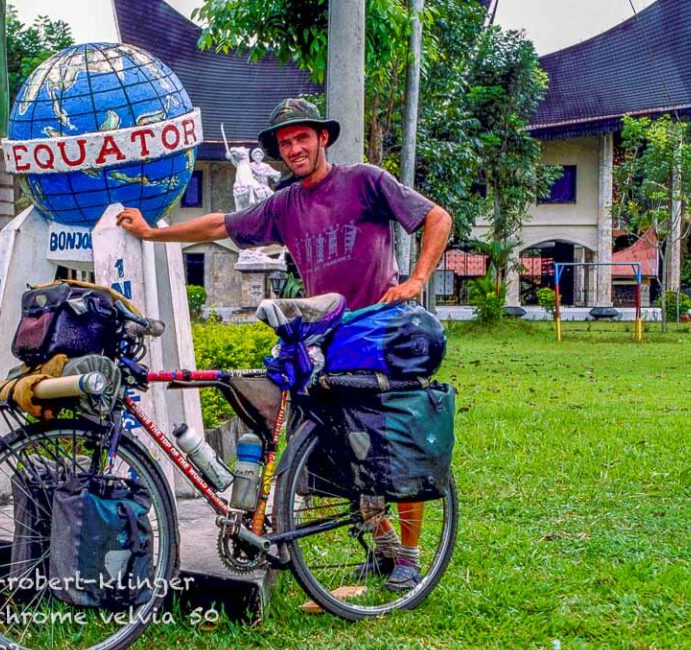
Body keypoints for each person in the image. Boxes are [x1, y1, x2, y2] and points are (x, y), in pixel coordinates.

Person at [117, 97, 452, 592]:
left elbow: (437, 218)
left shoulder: (364, 181)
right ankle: (382, 545)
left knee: (391, 443)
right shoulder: (284, 204)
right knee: (330, 450)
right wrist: (150, 233)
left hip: (377, 331)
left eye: (302, 138)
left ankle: (410, 556)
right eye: (286, 142)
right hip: (321, 339)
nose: (295, 148)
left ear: (322, 139)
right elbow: (220, 225)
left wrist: (417, 278)